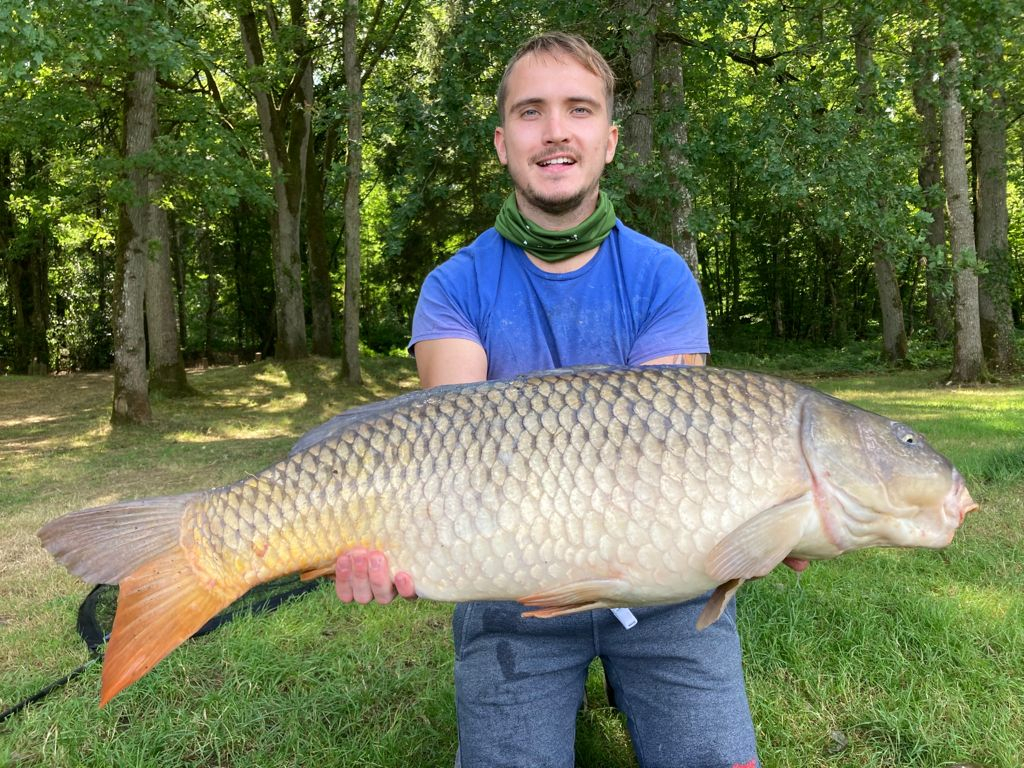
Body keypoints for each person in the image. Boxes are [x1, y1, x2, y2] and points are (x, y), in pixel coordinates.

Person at [333, 32, 797, 768]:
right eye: (531, 112)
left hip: (665, 590)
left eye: (579, 109)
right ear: (502, 143)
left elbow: (668, 464)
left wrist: (762, 529)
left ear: (608, 141)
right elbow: (444, 459)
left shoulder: (662, 277)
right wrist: (391, 538)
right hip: (509, 588)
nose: (555, 131)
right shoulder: (455, 287)